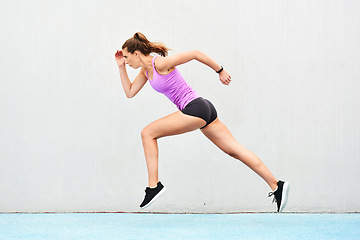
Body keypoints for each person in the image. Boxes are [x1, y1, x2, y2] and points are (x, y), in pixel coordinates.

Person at [115, 32, 290, 212]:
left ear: (136, 53)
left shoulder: (159, 63)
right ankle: (277, 186)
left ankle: (154, 186)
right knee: (235, 151)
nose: (127, 62)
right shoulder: (145, 72)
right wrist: (120, 67)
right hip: (203, 109)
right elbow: (129, 92)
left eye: (127, 57)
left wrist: (220, 71)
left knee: (147, 133)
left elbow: (195, 54)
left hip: (195, 108)